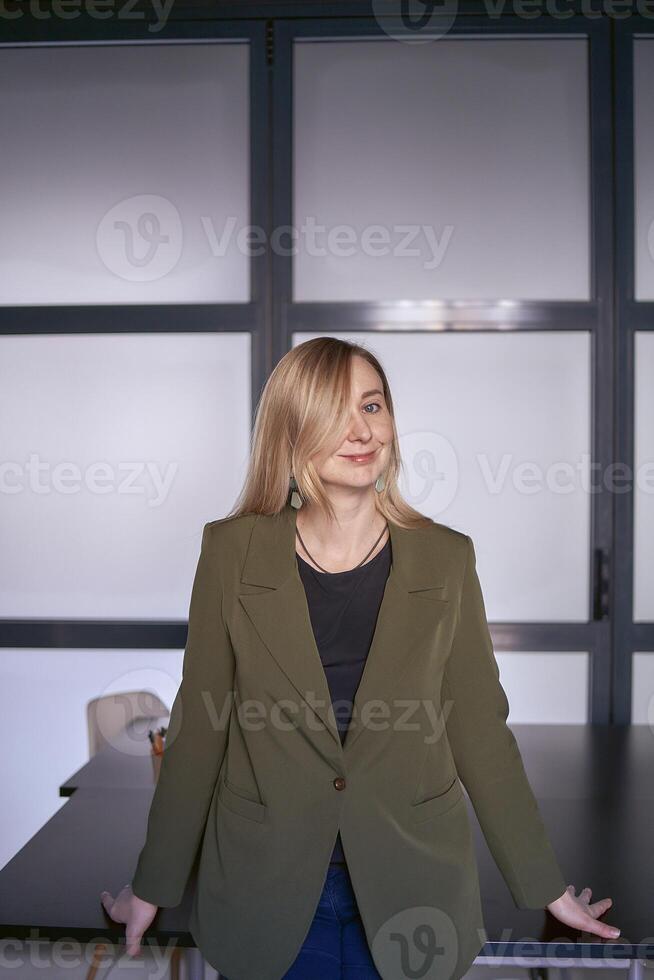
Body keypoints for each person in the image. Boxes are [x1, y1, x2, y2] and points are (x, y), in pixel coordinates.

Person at [101, 337, 620, 980]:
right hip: (267, 881)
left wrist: (546, 885)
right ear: (291, 430)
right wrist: (151, 883)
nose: (361, 430)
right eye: (333, 411)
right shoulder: (230, 551)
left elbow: (479, 729)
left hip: (413, 886)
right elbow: (201, 726)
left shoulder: (446, 557)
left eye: (372, 406)